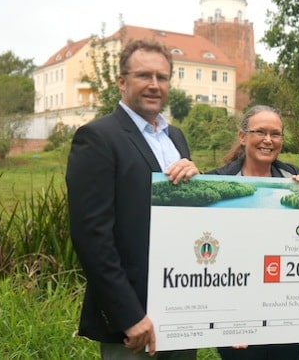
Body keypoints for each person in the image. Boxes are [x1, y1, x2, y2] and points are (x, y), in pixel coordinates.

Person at [67, 39, 200, 359]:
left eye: (162, 77)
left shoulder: (176, 137)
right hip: (134, 324)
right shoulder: (98, 137)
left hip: (179, 309)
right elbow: (92, 236)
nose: (155, 85)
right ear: (122, 82)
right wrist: (128, 315)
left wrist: (196, 176)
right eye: (144, 76)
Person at [206, 105, 299, 360]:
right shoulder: (214, 181)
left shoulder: (292, 177)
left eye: (276, 134)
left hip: (283, 313)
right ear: (242, 137)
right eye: (260, 132)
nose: (268, 140)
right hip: (233, 311)